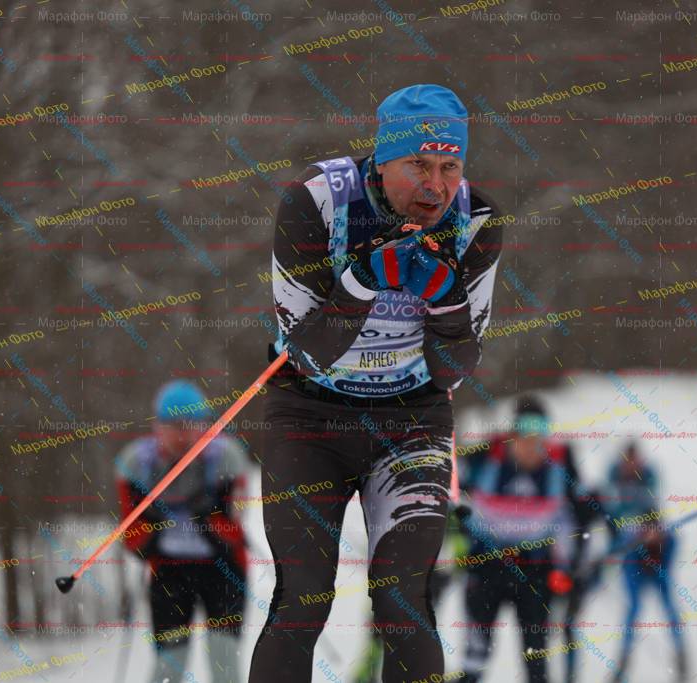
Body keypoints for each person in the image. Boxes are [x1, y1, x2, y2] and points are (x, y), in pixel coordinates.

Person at [249, 83, 504, 683]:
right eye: (418, 164)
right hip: (310, 415)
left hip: (411, 421)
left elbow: (453, 371)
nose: (435, 186)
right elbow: (305, 355)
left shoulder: (475, 220)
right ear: (383, 159)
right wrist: (361, 283)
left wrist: (446, 301)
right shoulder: (316, 201)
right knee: (303, 596)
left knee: (402, 599)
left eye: (449, 167)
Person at [116, 381, 250, 683]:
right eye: (173, 426)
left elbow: (234, 528)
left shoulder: (227, 458)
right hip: (169, 571)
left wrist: (205, 512)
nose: (182, 435)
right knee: (169, 664)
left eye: (191, 426)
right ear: (157, 427)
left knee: (225, 661)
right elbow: (131, 537)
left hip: (223, 569)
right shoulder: (137, 464)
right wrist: (154, 523)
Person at [455, 397, 576, 683]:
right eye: (525, 431)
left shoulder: (560, 466)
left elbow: (576, 518)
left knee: (536, 661)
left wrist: (569, 568)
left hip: (535, 571)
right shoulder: (484, 457)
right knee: (474, 660)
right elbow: (449, 497)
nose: (532, 442)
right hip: (486, 567)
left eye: (540, 432)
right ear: (513, 433)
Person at [604, 443, 687, 682]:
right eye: (627, 462)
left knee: (668, 605)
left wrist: (652, 534)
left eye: (635, 462)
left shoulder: (648, 476)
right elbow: (611, 517)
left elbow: (655, 514)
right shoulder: (613, 478)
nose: (631, 466)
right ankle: (622, 664)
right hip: (631, 553)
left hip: (656, 551)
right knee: (633, 609)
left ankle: (681, 657)